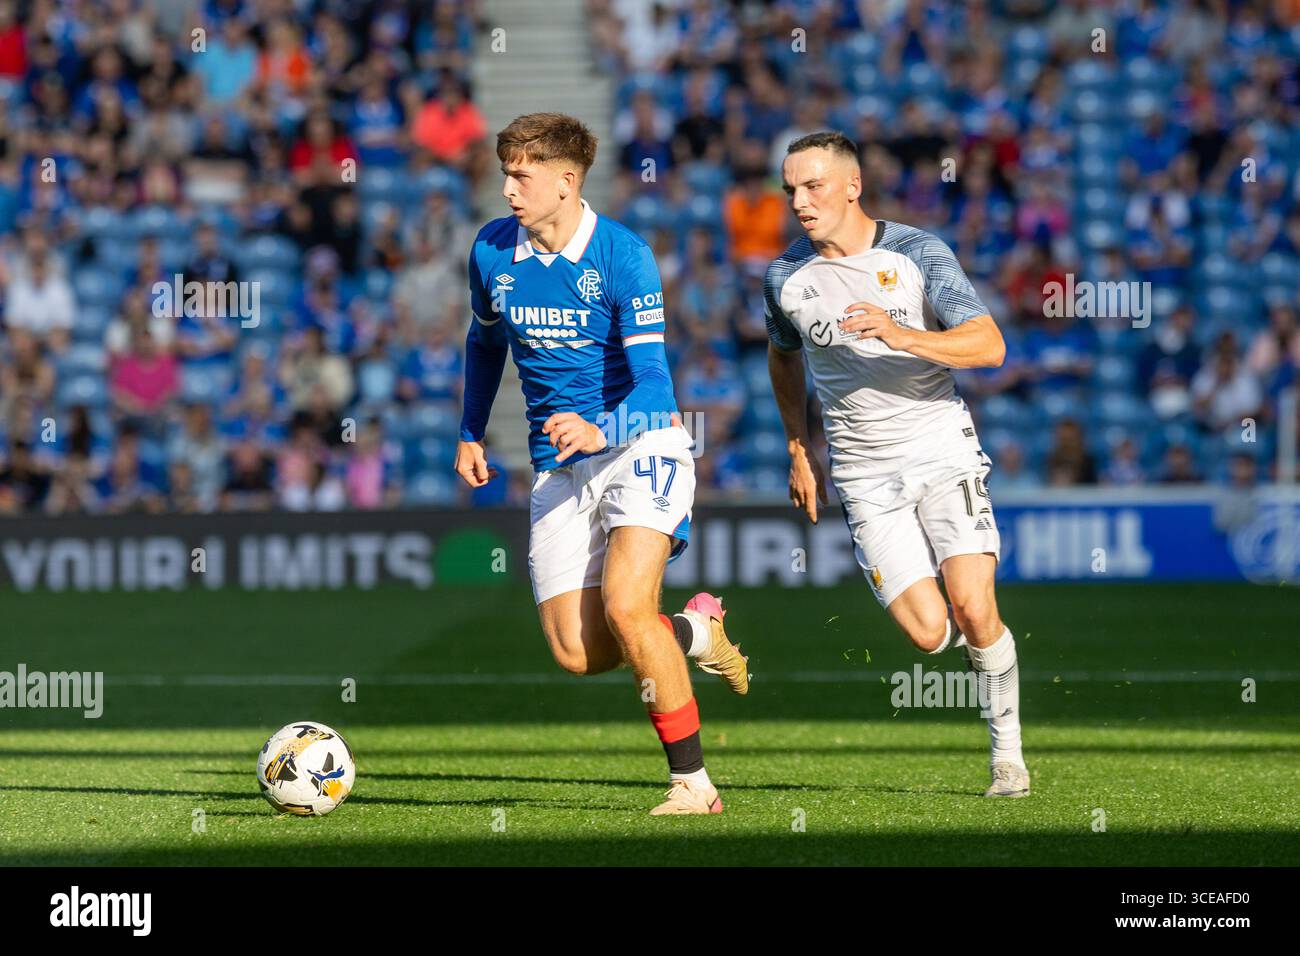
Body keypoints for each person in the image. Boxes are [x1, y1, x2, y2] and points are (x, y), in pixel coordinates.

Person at [453, 113, 749, 815]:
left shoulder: (622, 255)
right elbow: (483, 341)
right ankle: (695, 631)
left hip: (640, 442)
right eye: (505, 172)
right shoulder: (493, 251)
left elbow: (656, 385)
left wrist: (601, 427)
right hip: (559, 462)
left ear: (566, 181)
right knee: (577, 652)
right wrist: (469, 431)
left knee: (625, 606)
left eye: (521, 175)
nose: (507, 189)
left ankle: (693, 784)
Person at [764, 131, 1029, 798]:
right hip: (862, 474)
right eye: (791, 188)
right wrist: (799, 447)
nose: (800, 200)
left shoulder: (916, 252)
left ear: (852, 186)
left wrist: (901, 332)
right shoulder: (785, 279)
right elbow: (782, 357)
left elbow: (989, 344)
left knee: (972, 606)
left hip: (941, 450)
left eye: (813, 185)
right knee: (928, 632)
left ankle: (1007, 755)